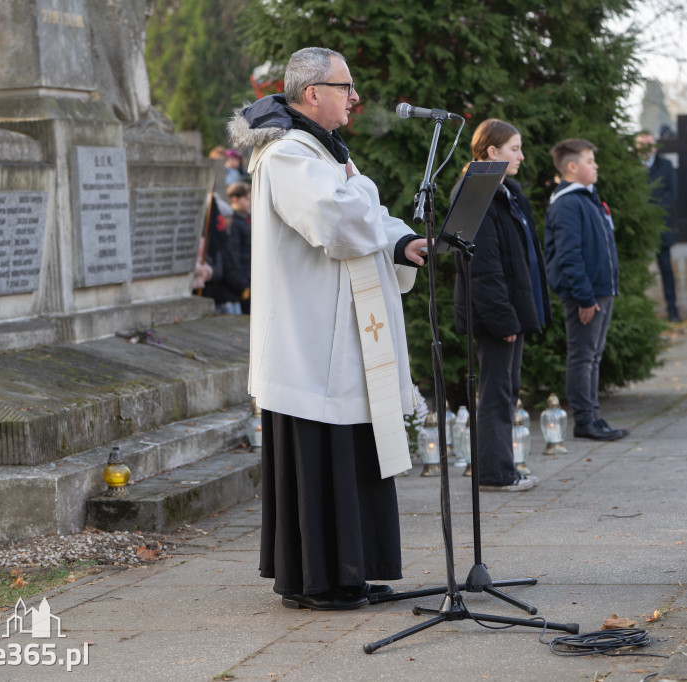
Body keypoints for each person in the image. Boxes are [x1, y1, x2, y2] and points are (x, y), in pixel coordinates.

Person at [227, 47, 427, 611]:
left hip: (340, 337)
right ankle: (317, 579)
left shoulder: (322, 150)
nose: (355, 98)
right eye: (346, 87)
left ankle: (353, 570)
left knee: (353, 455)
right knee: (323, 459)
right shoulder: (289, 154)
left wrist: (401, 242)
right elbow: (338, 222)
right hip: (309, 343)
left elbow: (368, 219)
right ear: (312, 93)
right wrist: (361, 193)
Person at [452, 119, 548, 492]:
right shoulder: (478, 191)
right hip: (495, 315)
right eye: (514, 149)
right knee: (496, 391)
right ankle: (494, 473)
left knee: (506, 388)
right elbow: (484, 268)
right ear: (491, 151)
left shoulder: (505, 190)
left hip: (509, 312)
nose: (521, 156)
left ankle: (502, 467)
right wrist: (503, 318)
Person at [544, 138, 628, 441]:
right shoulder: (568, 203)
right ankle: (584, 420)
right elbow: (569, 256)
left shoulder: (587, 198)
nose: (596, 166)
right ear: (572, 167)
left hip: (600, 290)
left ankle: (592, 416)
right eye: (590, 161)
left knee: (593, 355)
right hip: (586, 294)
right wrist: (584, 297)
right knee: (583, 355)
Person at [636, 130, 680, 322]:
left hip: (661, 224)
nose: (646, 148)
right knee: (639, 270)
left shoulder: (666, 165)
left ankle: (672, 310)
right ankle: (640, 312)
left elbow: (672, 193)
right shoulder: (631, 167)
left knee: (665, 268)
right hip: (638, 226)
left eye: (649, 144)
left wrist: (653, 212)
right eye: (641, 144)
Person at [226, 181, 253, 314]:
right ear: (235, 199)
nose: (250, 202)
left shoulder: (248, 218)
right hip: (242, 282)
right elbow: (234, 255)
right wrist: (243, 285)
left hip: (251, 277)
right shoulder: (233, 222)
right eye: (247, 199)